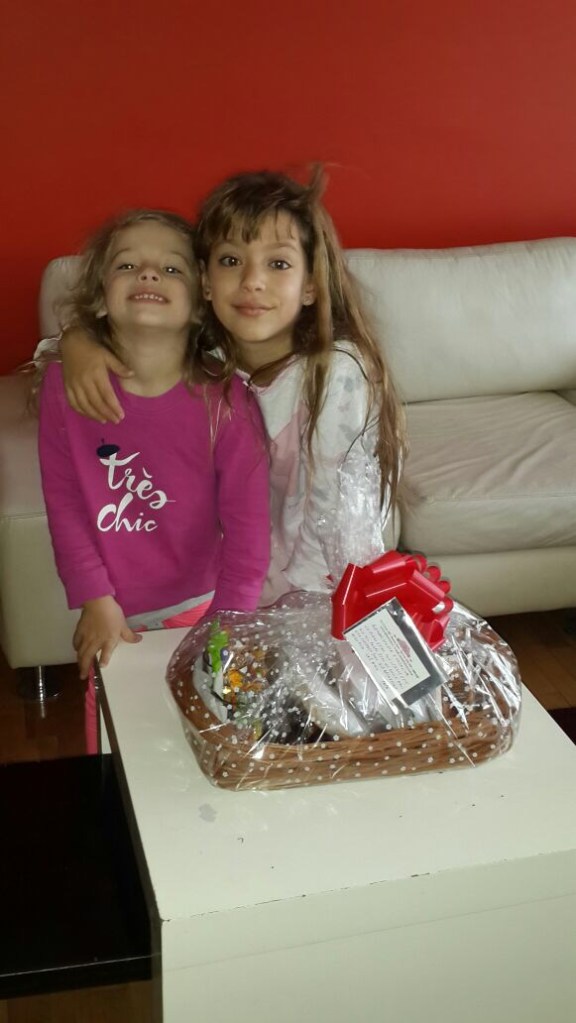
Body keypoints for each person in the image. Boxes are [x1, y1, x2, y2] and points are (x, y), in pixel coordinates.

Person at [39, 169, 405, 604]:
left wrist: (270, 606)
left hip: (322, 587)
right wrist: (76, 344)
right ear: (206, 283)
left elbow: (330, 519)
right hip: (237, 584)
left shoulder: (336, 373)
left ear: (310, 285)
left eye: (278, 264)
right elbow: (100, 344)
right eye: (231, 260)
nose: (252, 281)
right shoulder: (211, 357)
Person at [37, 208, 270, 749]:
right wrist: (95, 597)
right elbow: (65, 503)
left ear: (201, 302)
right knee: (119, 751)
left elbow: (248, 535)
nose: (147, 274)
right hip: (113, 613)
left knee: (208, 744)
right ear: (101, 296)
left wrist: (225, 627)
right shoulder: (62, 388)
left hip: (203, 606)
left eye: (171, 269)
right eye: (127, 265)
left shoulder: (227, 402)